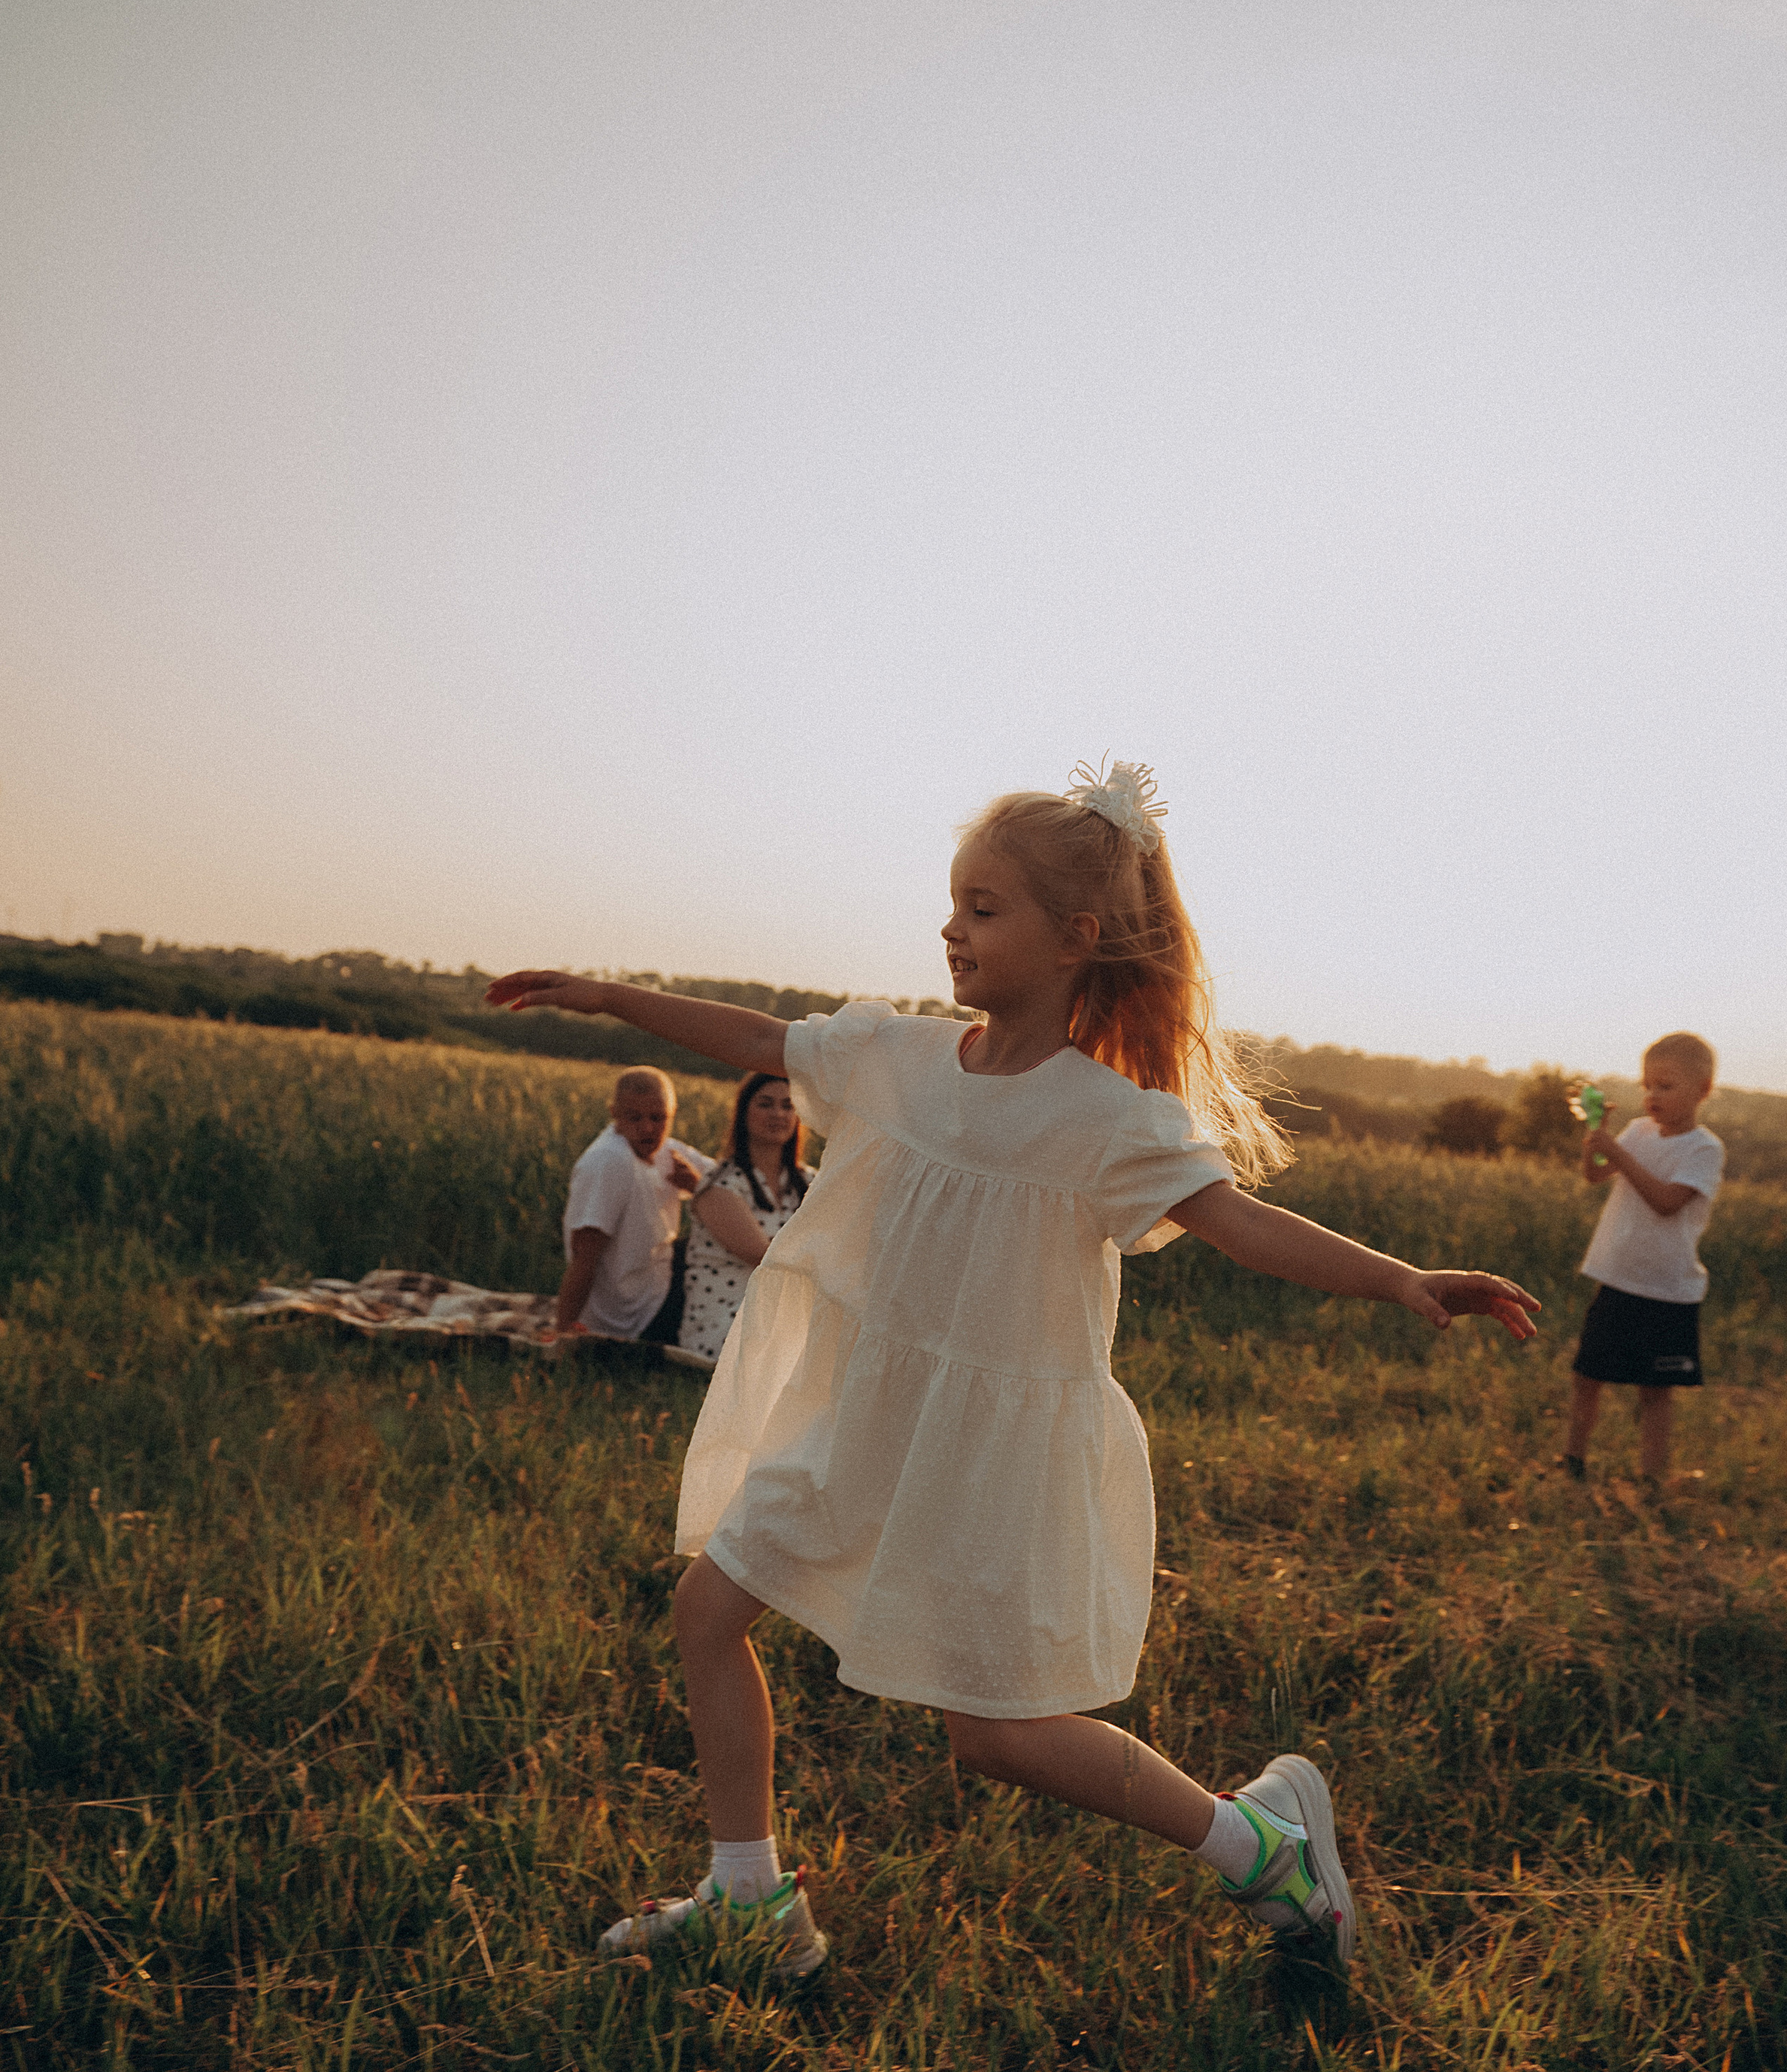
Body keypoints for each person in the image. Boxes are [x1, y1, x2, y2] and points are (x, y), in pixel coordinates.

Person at [488, 761, 1537, 1985]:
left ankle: (1261, 1847)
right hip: (866, 1420)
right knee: (710, 1610)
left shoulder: (1108, 1119)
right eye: (953, 903)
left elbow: (1242, 1223)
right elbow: (762, 1041)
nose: (952, 927)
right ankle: (750, 1901)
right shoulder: (901, 1058)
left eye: (986, 909)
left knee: (995, 1735)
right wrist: (608, 992)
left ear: (1075, 938)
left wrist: (1399, 1277)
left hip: (988, 1458)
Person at [1564, 1034, 1724, 1486]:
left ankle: (1651, 1480)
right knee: (1586, 1377)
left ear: (1702, 1090)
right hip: (1617, 1279)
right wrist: (1595, 1140)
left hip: (1667, 1291)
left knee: (1655, 1392)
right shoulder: (1636, 1132)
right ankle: (1574, 1461)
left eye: (1666, 1087)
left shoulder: (1704, 1150)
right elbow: (1595, 1174)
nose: (1653, 1096)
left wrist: (1617, 1153)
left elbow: (1666, 1202)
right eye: (1647, 1085)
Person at [557, 1067, 714, 1345]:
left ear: (671, 1115)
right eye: (635, 1118)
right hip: (633, 1314)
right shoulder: (609, 1162)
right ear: (614, 1113)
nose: (647, 1128)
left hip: (656, 1283)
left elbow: (730, 1181)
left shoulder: (668, 1151)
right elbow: (585, 1253)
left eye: (658, 1118)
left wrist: (697, 1185)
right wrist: (563, 1332)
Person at [679, 1074, 813, 1365]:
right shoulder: (719, 1186)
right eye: (765, 1104)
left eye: (788, 1106)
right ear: (744, 1114)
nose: (778, 1114)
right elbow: (768, 1258)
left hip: (788, 1308)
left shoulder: (809, 1182)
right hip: (728, 1315)